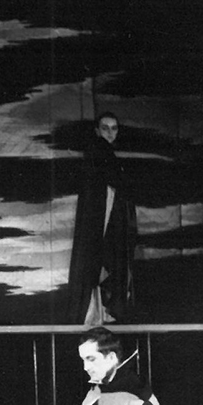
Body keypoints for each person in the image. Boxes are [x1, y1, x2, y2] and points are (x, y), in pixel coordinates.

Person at [66, 112, 136, 325]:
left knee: (101, 263)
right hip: (102, 220)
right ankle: (97, 312)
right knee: (100, 261)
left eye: (114, 128)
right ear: (97, 130)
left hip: (108, 217)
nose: (110, 133)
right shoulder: (98, 150)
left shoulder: (102, 152)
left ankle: (99, 312)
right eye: (105, 128)